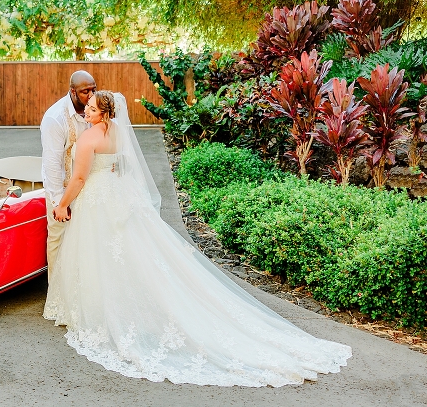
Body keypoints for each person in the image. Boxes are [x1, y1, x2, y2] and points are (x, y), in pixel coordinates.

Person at [44, 90, 352, 387]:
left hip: (98, 199)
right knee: (127, 253)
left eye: (93, 109)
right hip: (118, 195)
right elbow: (119, 167)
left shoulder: (88, 137)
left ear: (105, 112)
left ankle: (102, 313)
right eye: (88, 107)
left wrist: (61, 204)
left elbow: (80, 178)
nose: (87, 111)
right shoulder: (116, 132)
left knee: (100, 255)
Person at [40, 70, 97, 281]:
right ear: (72, 92)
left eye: (93, 89)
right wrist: (58, 202)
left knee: (85, 237)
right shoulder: (55, 119)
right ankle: (56, 291)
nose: (91, 95)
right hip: (62, 189)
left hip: (89, 187)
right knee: (58, 237)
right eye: (85, 92)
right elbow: (52, 164)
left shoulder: (95, 109)